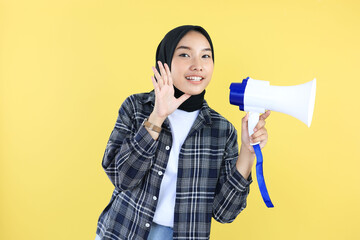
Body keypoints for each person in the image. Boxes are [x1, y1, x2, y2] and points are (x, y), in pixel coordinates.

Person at [95, 25, 270, 240]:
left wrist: (247, 152)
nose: (198, 66)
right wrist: (157, 116)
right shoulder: (136, 107)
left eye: (206, 56)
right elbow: (122, 178)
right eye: (185, 54)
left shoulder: (222, 131)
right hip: (123, 231)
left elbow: (225, 213)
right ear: (165, 62)